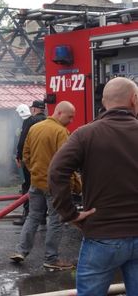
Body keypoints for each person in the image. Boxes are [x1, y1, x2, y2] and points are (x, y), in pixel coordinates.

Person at [49, 77, 138, 295]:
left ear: (105, 102)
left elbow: (56, 171)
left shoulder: (85, 134)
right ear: (134, 100)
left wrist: (69, 214)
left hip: (102, 236)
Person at [10, 101, 81, 270]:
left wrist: (34, 171)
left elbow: (25, 154)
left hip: (36, 183)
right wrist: (75, 185)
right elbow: (67, 163)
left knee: (33, 217)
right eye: (69, 117)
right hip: (55, 186)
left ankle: (21, 251)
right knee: (56, 221)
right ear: (59, 113)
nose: (71, 120)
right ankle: (51, 258)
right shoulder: (61, 132)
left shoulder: (35, 128)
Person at [13, 100, 47, 226]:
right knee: (43, 188)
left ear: (33, 109)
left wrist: (18, 156)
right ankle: (43, 217)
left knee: (27, 187)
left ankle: (27, 216)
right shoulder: (48, 121)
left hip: (30, 161)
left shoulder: (30, 121)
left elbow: (23, 141)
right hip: (44, 161)